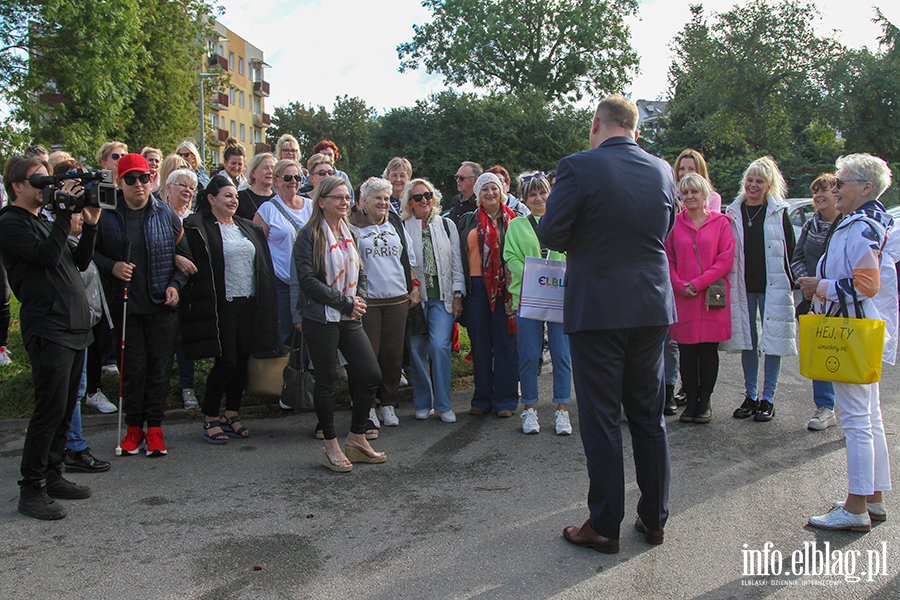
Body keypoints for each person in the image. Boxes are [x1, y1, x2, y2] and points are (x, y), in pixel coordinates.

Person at [538, 95, 676, 553]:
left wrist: (590, 237)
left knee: (600, 419)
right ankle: (654, 518)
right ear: (634, 128)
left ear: (597, 124)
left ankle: (604, 525)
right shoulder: (661, 170)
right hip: (652, 304)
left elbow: (551, 232)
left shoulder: (579, 166)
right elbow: (665, 227)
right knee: (648, 417)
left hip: (598, 307)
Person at [0, 155, 101, 519]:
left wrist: (88, 225)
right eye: (39, 181)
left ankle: (53, 474)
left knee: (63, 409)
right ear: (17, 185)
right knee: (48, 410)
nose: (46, 188)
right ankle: (31, 489)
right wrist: (61, 215)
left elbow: (79, 262)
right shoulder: (10, 223)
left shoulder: (41, 222)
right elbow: (45, 257)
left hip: (73, 326)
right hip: (48, 326)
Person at [801, 153, 897, 531]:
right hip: (863, 330)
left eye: (841, 182)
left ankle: (856, 506)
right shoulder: (868, 223)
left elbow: (866, 284)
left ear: (866, 187)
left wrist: (819, 286)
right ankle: (871, 497)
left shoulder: (859, 228)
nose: (834, 188)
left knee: (857, 420)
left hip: (851, 333)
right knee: (869, 417)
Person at [93, 154, 189, 457]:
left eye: (143, 177)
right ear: (119, 182)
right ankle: (134, 428)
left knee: (160, 370)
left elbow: (183, 260)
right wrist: (112, 266)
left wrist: (175, 285)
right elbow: (90, 255)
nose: (138, 184)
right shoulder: (106, 216)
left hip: (160, 306)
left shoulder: (166, 214)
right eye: (131, 179)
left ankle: (156, 429)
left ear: (152, 179)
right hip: (124, 307)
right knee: (132, 370)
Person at [293, 175, 383, 472]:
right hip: (321, 317)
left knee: (370, 374)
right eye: (338, 198)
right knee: (327, 380)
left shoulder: (351, 232)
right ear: (321, 202)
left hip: (348, 315)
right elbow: (307, 281)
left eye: (347, 197)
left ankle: (356, 437)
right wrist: (345, 302)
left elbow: (361, 272)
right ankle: (330, 442)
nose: (345, 202)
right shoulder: (308, 236)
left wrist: (360, 300)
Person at [180, 175, 279, 444]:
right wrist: (179, 256)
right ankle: (210, 416)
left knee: (242, 361)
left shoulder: (248, 227)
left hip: (250, 302)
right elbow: (181, 250)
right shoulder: (196, 225)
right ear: (211, 199)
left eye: (235, 195)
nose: (233, 200)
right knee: (227, 360)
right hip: (221, 303)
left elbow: (263, 266)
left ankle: (231, 413)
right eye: (226, 195)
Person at [722, 156, 796, 422]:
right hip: (742, 288)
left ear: (769, 185)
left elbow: (791, 253)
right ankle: (750, 396)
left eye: (759, 181)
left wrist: (794, 284)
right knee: (748, 342)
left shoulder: (779, 212)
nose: (753, 185)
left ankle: (768, 398)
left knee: (772, 342)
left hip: (773, 287)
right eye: (750, 180)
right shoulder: (732, 213)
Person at [503, 171, 571, 435]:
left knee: (561, 355)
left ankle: (562, 409)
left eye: (543, 192)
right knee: (529, 355)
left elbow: (570, 255)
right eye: (532, 194)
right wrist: (534, 276)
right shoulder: (516, 225)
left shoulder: (563, 221)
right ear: (524, 199)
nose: (539, 198)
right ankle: (529, 408)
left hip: (559, 297)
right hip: (527, 297)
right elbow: (511, 257)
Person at [664, 174, 735, 424]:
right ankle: (690, 400)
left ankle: (704, 401)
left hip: (711, 296)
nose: (690, 196)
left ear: (706, 194)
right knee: (686, 351)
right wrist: (679, 284)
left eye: (695, 191)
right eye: (685, 192)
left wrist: (699, 282)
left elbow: (726, 259)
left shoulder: (722, 222)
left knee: (707, 352)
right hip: (684, 296)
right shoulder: (674, 224)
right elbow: (668, 259)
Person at [349, 177, 417, 426]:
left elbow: (408, 258)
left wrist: (414, 287)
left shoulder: (395, 223)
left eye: (386, 198)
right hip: (368, 302)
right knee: (367, 358)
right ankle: (365, 406)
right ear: (363, 201)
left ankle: (387, 404)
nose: (383, 202)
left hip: (397, 299)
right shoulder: (351, 226)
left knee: (392, 356)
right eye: (377, 197)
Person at [402, 178, 464, 423]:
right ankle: (422, 402)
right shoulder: (403, 226)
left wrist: (458, 295)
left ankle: (443, 403)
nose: (424, 200)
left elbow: (457, 263)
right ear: (410, 202)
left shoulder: (446, 225)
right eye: (417, 197)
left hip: (442, 298)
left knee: (439, 347)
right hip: (415, 300)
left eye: (427, 195)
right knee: (417, 351)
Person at [458, 172, 519, 417]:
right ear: (478, 194)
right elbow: (458, 255)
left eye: (494, 188)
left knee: (505, 343)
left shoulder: (514, 220)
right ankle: (482, 398)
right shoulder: (467, 220)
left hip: (505, 289)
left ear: (501, 191)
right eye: (484, 189)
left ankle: (505, 400)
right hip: (476, 289)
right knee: (480, 343)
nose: (490, 193)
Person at [791, 173, 841, 431]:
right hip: (815, 302)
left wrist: (824, 285)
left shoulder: (847, 223)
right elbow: (797, 258)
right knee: (821, 355)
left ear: (838, 194)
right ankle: (825, 407)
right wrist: (806, 282)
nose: (819, 196)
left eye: (825, 191)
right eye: (816, 192)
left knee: (846, 355)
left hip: (842, 301)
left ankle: (854, 412)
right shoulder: (811, 224)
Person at [254, 159, 312, 346]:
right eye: (288, 177)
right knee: (284, 333)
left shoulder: (311, 206)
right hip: (282, 282)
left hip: (310, 280)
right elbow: (256, 247)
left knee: (311, 332)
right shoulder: (267, 210)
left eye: (297, 177)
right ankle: (283, 373)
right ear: (276, 180)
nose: (293, 181)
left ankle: (308, 373)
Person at [163, 168, 201, 409]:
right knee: (164, 340)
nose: (187, 190)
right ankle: (161, 388)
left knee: (186, 339)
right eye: (182, 185)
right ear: (168, 188)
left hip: (189, 288)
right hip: (161, 285)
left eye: (191, 187)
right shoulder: (157, 214)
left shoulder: (194, 219)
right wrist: (176, 258)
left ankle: (188, 387)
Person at [237, 152, 276, 219]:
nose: (270, 172)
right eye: (265, 168)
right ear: (253, 173)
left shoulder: (278, 199)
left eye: (273, 168)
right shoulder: (240, 198)